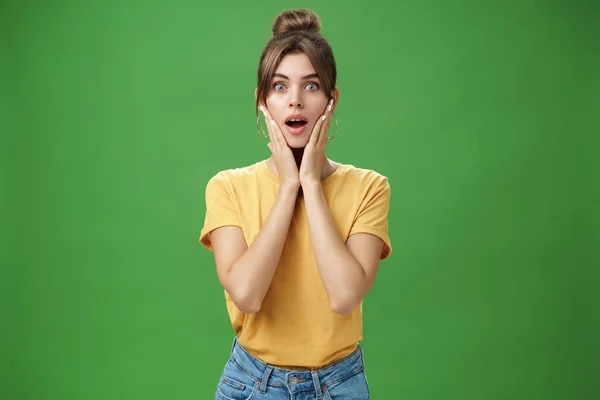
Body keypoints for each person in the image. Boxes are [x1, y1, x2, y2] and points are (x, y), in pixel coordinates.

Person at [199, 8, 392, 400]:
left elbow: (343, 296)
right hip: (252, 384)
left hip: (340, 385)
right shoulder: (227, 187)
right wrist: (289, 188)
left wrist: (310, 184)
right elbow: (248, 295)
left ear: (331, 100)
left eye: (311, 86)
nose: (295, 102)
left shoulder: (369, 187)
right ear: (262, 101)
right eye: (280, 86)